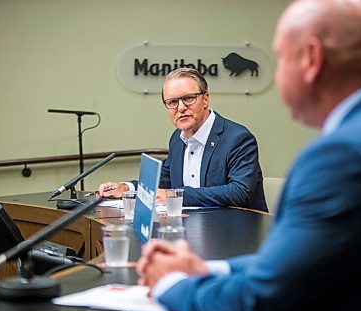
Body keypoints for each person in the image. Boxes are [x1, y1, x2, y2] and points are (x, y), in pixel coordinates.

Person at [136, 0, 361, 311]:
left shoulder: (346, 156)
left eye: (281, 59)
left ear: (312, 58)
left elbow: (257, 304)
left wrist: (169, 283)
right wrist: (209, 268)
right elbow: (295, 264)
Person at [98, 67, 268, 212]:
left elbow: (240, 191)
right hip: (191, 228)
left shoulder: (237, 138)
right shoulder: (177, 138)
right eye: (172, 102)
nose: (180, 108)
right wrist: (127, 188)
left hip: (235, 233)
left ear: (205, 99)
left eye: (188, 98)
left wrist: (176, 195)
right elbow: (165, 180)